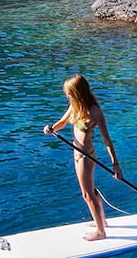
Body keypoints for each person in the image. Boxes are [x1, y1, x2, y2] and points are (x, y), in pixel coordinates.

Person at [44, 74, 123, 241]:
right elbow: (62, 123)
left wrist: (115, 164)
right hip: (77, 154)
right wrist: (51, 128)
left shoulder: (94, 111)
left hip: (87, 157)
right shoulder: (75, 106)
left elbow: (106, 139)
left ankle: (101, 232)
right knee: (90, 191)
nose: (67, 96)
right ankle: (102, 222)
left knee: (87, 195)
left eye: (69, 92)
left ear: (78, 92)